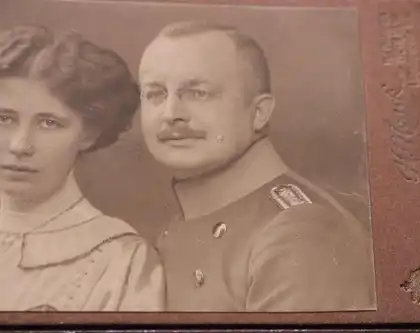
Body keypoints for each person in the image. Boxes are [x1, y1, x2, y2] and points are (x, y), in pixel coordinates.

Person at [139, 20, 376, 312]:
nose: (171, 113)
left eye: (198, 92)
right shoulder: (178, 226)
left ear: (259, 113)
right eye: (155, 93)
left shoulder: (302, 231)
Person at [0, 25, 166, 311]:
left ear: (89, 133)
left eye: (49, 123)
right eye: (4, 119)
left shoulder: (119, 259)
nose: (20, 145)